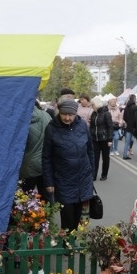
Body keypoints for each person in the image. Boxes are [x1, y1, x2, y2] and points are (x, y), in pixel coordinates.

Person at [43, 98, 95, 232]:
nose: (67, 118)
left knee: (80, 215)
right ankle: (66, 246)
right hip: (63, 179)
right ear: (59, 113)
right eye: (64, 114)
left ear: (75, 113)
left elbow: (90, 150)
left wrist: (91, 171)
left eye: (70, 115)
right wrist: (49, 182)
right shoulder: (51, 129)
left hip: (83, 177)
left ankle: (73, 241)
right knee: (67, 215)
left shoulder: (83, 125)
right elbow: (46, 157)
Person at [19, 100, 52, 199]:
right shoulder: (47, 115)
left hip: (28, 165)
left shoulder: (21, 119)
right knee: (46, 196)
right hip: (46, 164)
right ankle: (47, 214)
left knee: (26, 199)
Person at [90, 97, 114, 181]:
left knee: (105, 158)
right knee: (95, 158)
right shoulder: (93, 113)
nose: (91, 106)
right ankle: (94, 175)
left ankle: (104, 174)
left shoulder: (106, 113)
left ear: (96, 105)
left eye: (92, 104)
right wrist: (90, 135)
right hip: (95, 139)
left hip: (104, 139)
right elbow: (92, 126)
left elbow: (110, 127)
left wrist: (110, 139)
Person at [121, 94, 137, 159]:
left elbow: (124, 117)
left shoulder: (126, 108)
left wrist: (128, 122)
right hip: (134, 127)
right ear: (134, 99)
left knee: (127, 142)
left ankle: (125, 155)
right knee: (133, 140)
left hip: (128, 127)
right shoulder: (135, 107)